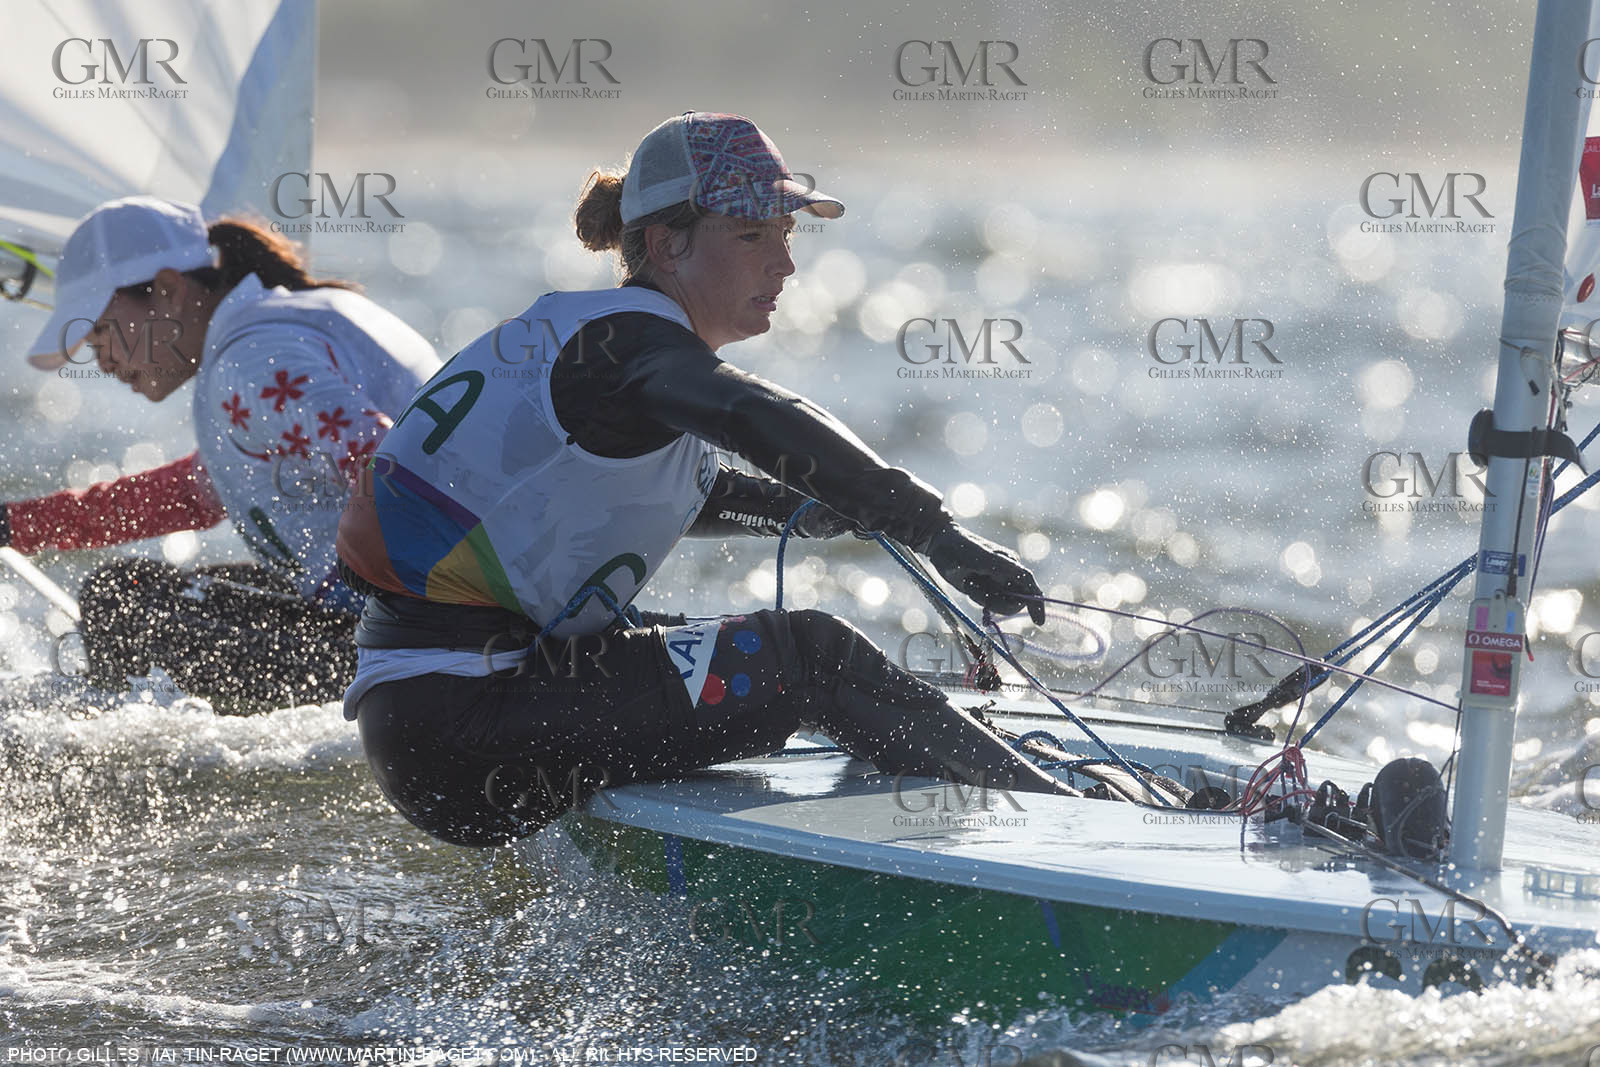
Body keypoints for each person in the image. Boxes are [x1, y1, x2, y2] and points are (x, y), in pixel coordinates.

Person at [337, 112, 1077, 847]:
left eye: (786, 235)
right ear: (667, 244)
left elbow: (663, 491)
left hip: (451, 712)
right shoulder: (627, 349)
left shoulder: (594, 339)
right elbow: (752, 412)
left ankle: (956, 766)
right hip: (466, 720)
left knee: (704, 634)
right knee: (812, 656)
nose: (784, 264)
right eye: (752, 236)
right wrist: (933, 532)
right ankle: (1057, 820)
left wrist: (813, 510)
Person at [2, 196, 438, 709]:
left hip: (435, 641)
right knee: (154, 586)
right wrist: (15, 526)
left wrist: (450, 633)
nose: (101, 361)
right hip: (426, 620)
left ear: (169, 290)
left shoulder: (251, 360)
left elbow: (400, 472)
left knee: (122, 603)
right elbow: (192, 493)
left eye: (100, 332)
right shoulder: (277, 323)